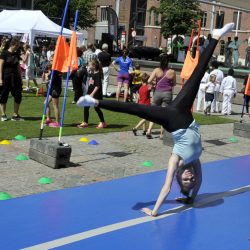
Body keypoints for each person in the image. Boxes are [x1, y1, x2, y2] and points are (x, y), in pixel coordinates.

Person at [77, 23, 235, 216]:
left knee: (136, 109)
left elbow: (166, 188)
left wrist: (154, 211)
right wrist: (191, 198)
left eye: (185, 180)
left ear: (179, 176)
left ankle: (94, 102)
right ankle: (216, 38)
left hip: (172, 121)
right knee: (198, 74)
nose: (189, 177)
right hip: (185, 113)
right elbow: (199, 183)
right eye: (191, 180)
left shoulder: (175, 161)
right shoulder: (196, 162)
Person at [146, 53, 176, 140]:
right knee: (164, 114)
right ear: (168, 62)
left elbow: (148, 80)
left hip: (157, 92)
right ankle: (162, 134)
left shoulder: (156, 70)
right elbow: (173, 83)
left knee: (153, 112)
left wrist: (154, 84)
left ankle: (149, 131)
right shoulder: (172, 72)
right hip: (167, 93)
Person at [77, 59, 107, 129]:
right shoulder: (92, 73)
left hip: (96, 94)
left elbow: (97, 86)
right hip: (89, 93)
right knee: (86, 107)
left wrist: (92, 94)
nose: (88, 66)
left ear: (94, 66)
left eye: (89, 65)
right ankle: (85, 122)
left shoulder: (98, 74)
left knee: (97, 108)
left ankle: (103, 122)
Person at [0, 37, 24, 121]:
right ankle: (3, 115)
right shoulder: (4, 53)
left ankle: (15, 115)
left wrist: (20, 78)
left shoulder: (16, 54)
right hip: (6, 77)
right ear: (12, 44)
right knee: (4, 95)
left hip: (16, 78)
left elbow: (18, 67)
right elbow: (0, 66)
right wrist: (0, 79)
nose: (17, 47)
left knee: (18, 95)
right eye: (16, 46)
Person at [44, 56, 62, 128]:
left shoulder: (56, 70)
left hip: (55, 89)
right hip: (52, 89)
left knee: (55, 106)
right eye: (50, 60)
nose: (50, 61)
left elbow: (52, 80)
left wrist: (47, 79)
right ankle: (48, 118)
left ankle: (57, 122)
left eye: (51, 60)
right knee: (46, 103)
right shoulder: (52, 69)